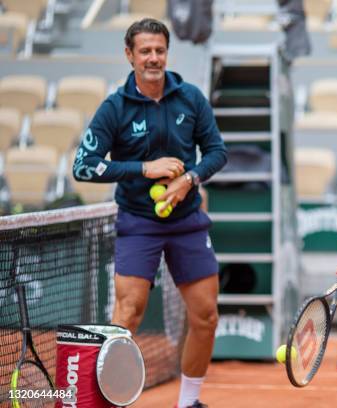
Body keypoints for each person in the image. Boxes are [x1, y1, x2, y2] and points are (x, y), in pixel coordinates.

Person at [72, 18, 227, 408]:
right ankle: (102, 400)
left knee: (206, 316)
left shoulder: (190, 98)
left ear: (166, 53)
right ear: (130, 55)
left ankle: (188, 402)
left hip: (187, 220)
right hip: (138, 222)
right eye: (145, 51)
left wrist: (188, 179)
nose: (153, 58)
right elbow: (83, 165)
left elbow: (216, 152)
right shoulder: (114, 108)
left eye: (159, 50)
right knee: (128, 314)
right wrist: (144, 169)